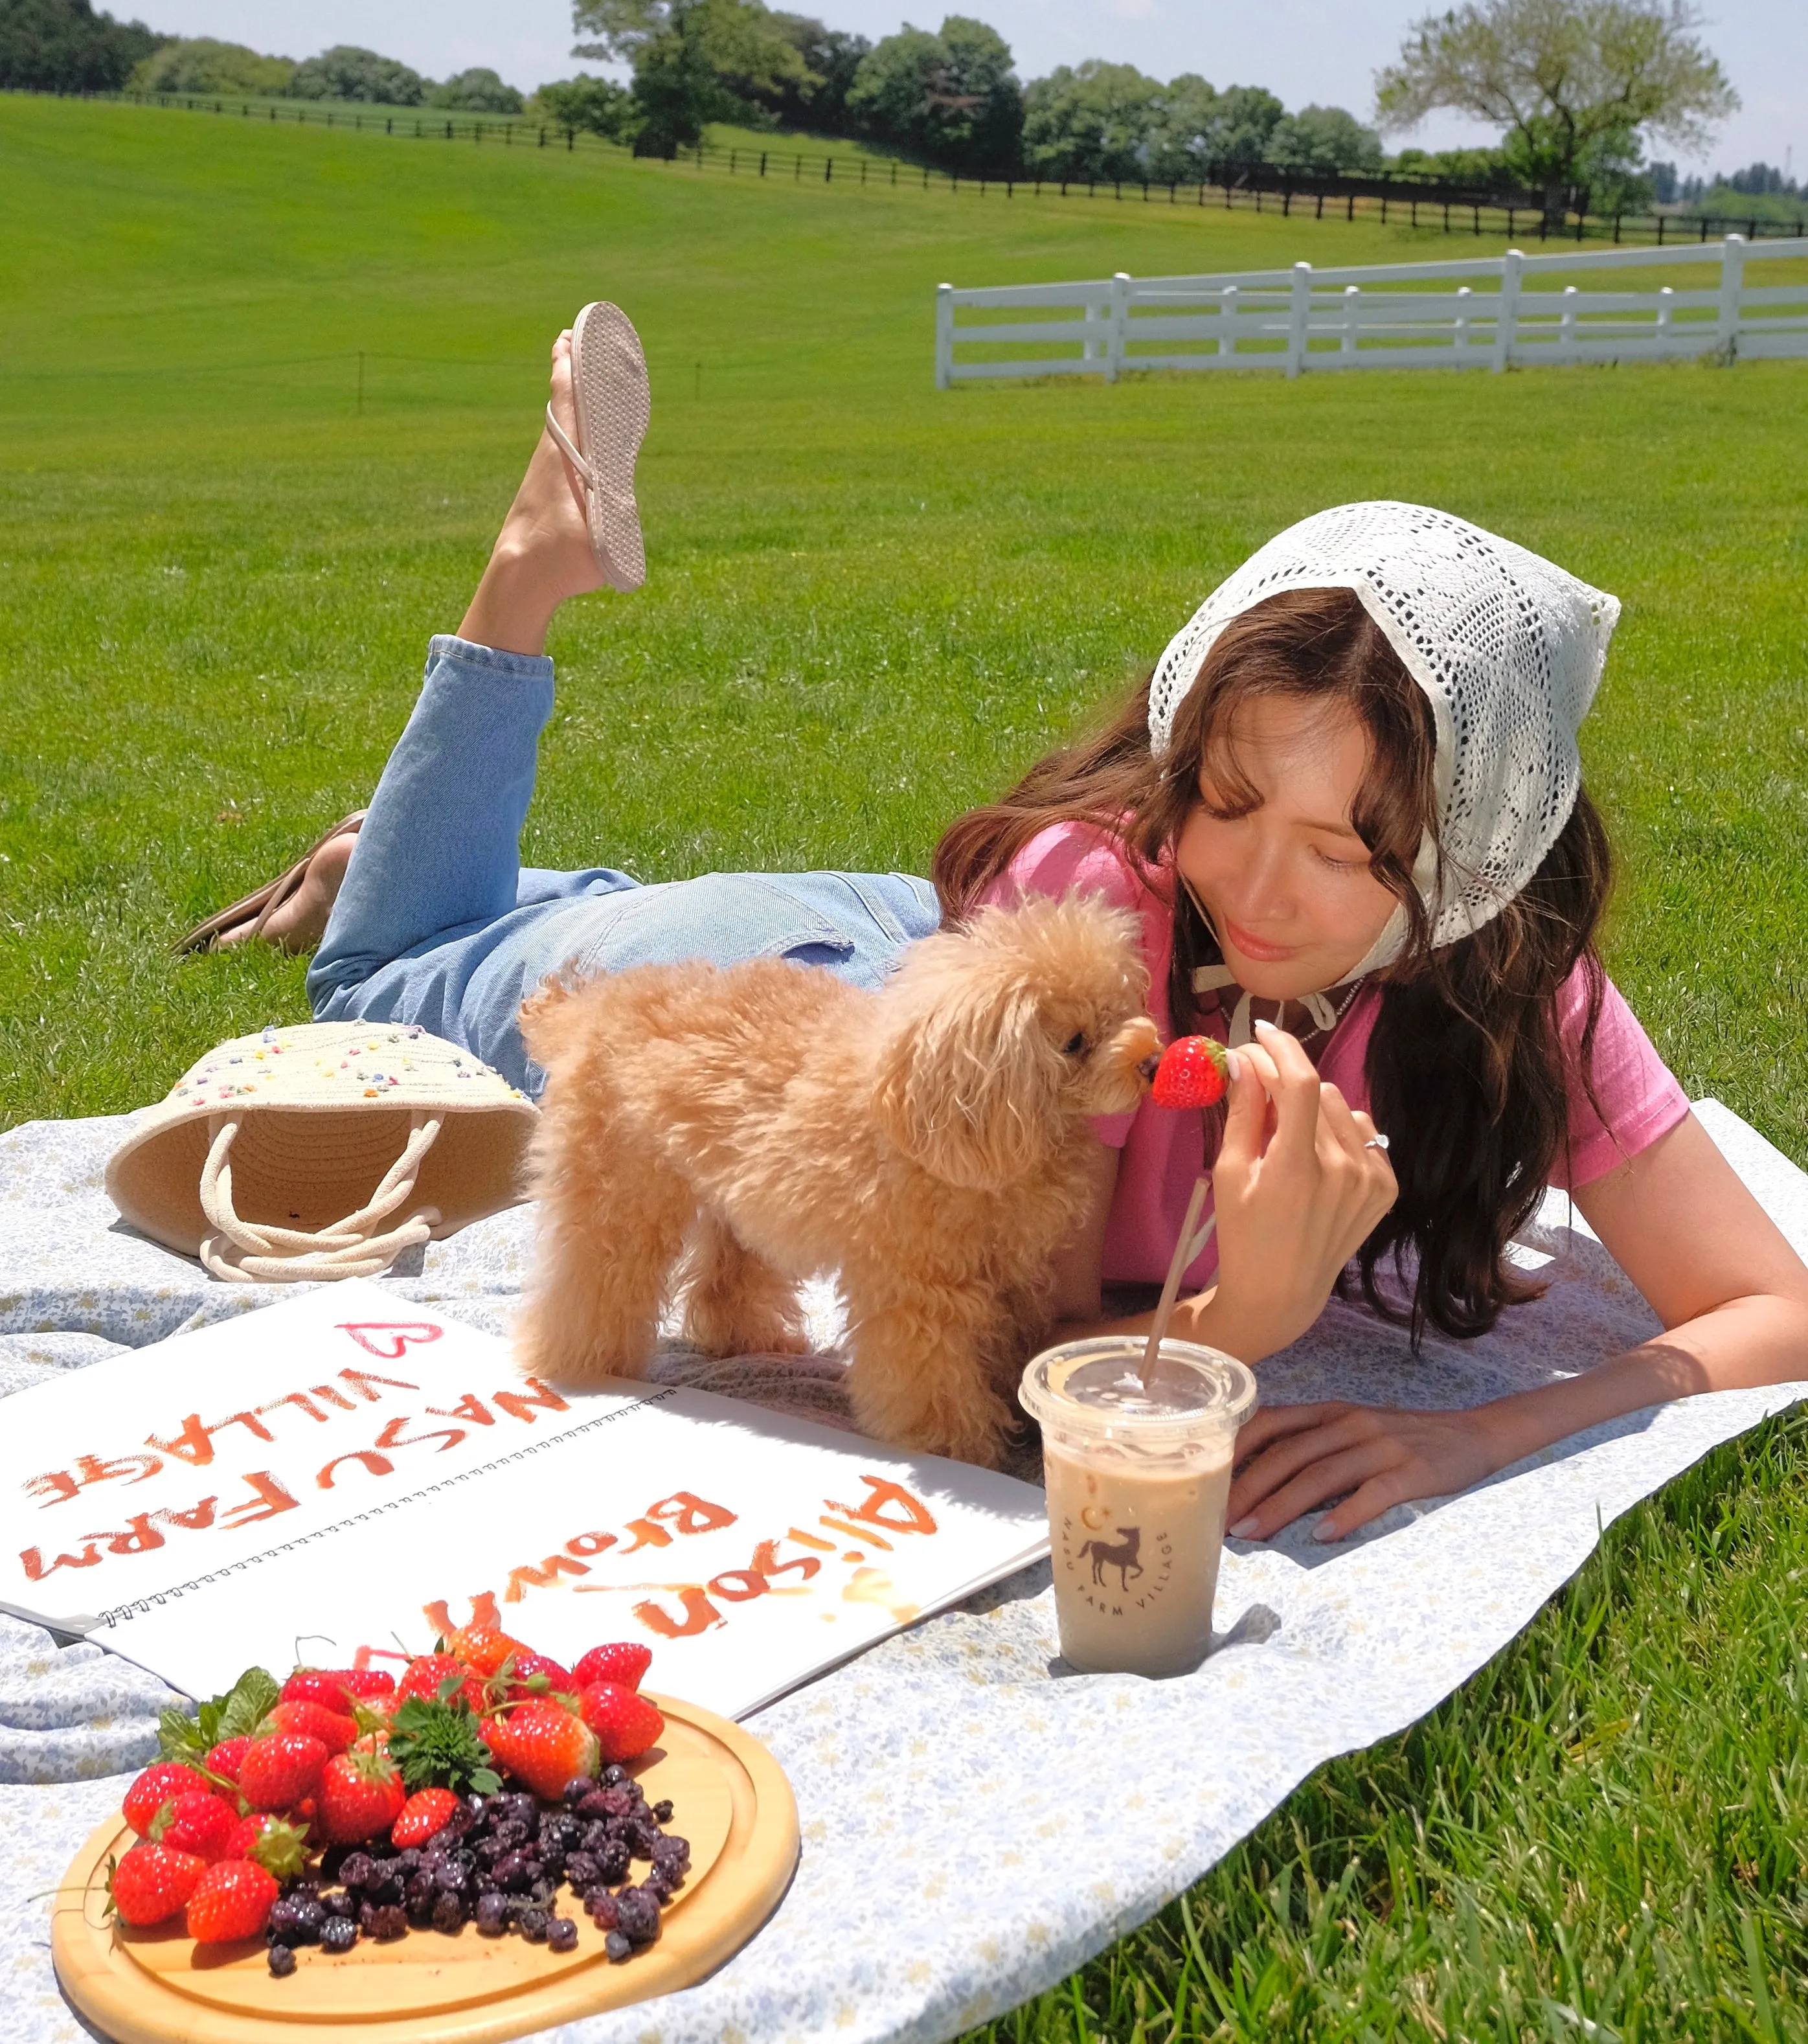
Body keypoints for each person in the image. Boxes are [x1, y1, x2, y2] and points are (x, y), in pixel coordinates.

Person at [187, 317, 1808, 1543]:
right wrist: (1239, 1320)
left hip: (931, 955)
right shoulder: (1107, 882)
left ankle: (529, 886)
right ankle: (526, 575)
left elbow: (1769, 1305)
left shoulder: (1513, 986)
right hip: (866, 1016)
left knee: (558, 922)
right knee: (384, 982)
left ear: (1466, 869)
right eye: (1228, 801)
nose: (1257, 889)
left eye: (1345, 851)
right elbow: (959, 1313)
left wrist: (1496, 1431)